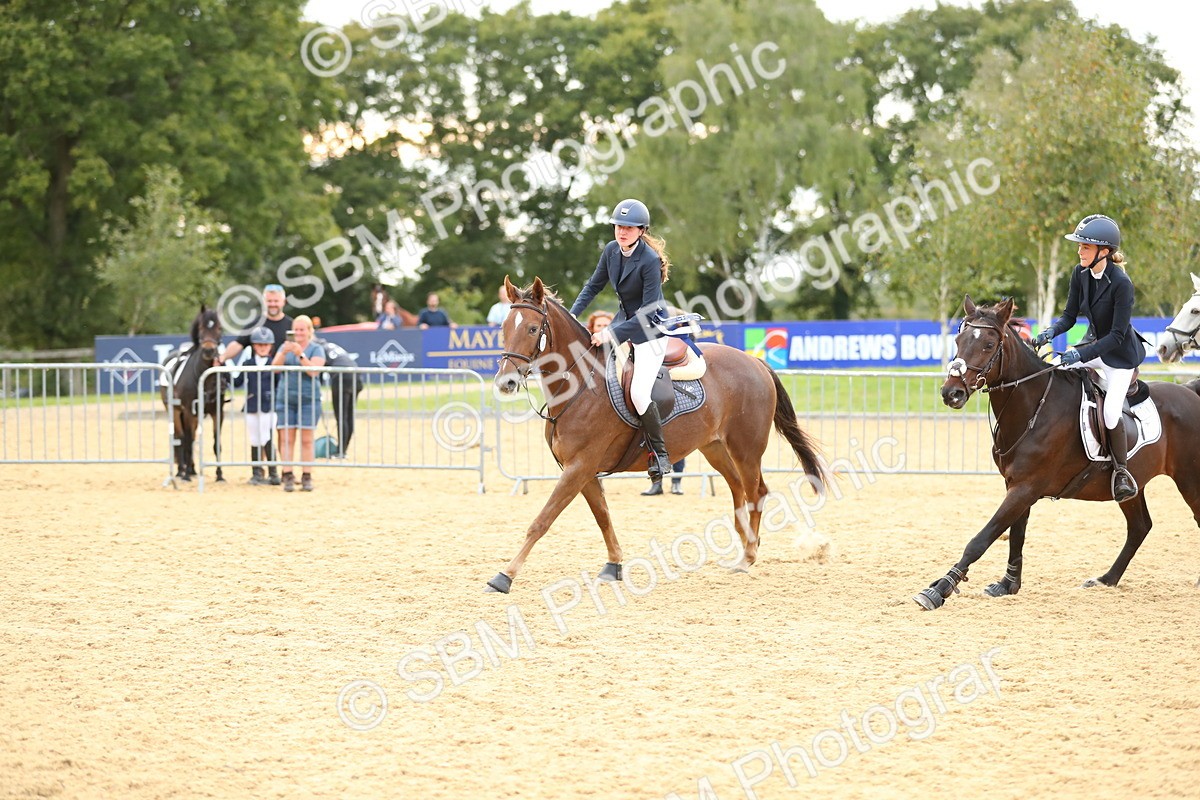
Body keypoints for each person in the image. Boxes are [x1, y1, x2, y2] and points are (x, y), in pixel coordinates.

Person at [1032, 214, 1146, 502]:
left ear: (1103, 251)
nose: (1079, 251)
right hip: (1093, 347)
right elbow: (1069, 316)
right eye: (1080, 246)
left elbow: (1117, 336)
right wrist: (1050, 332)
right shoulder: (1080, 273)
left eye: (1085, 247)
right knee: (1053, 369)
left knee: (1110, 413)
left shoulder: (1121, 284)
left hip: (1119, 357)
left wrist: (1079, 353)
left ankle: (1121, 472)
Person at [570, 198, 673, 487]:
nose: (622, 232)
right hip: (623, 322)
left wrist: (611, 334)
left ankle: (660, 455)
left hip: (650, 332)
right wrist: (571, 314)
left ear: (641, 230)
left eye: (628, 228)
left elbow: (647, 312)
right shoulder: (611, 250)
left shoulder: (649, 261)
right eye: (618, 226)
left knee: (639, 393)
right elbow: (593, 285)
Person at [272, 314, 326, 492]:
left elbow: (314, 371)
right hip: (286, 399)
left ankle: (306, 476)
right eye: (296, 329)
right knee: (286, 438)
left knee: (307, 439)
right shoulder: (284, 347)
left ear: (309, 331)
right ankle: (287, 474)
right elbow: (275, 368)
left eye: (302, 329)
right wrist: (284, 352)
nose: (299, 333)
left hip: (308, 399)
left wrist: (300, 354)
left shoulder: (316, 349)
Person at [233, 326, 280, 485]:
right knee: (254, 438)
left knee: (266, 437)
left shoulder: (274, 363)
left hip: (268, 405)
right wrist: (223, 370)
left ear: (270, 346)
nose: (262, 347)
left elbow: (279, 384)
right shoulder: (248, 363)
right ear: (254, 346)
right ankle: (257, 473)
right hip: (252, 405)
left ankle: (273, 473)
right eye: (259, 345)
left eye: (265, 345)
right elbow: (237, 381)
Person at [315, 335, 364, 455]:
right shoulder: (331, 346)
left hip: (342, 377)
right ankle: (343, 449)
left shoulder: (318, 349)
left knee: (341, 416)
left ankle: (341, 451)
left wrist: (317, 390)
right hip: (356, 376)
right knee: (349, 416)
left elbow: (318, 371)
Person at [219, 284, 293, 364]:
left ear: (284, 302)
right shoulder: (255, 324)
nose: (272, 304)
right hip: (259, 371)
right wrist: (222, 358)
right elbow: (238, 344)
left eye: (276, 301)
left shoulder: (292, 325)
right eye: (269, 301)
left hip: (284, 371)